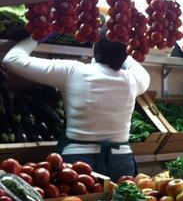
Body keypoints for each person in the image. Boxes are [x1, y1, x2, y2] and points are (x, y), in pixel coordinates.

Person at [1, 29, 150, 180]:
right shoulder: (134, 79)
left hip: (78, 161)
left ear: (94, 48)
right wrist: (120, 47)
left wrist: (38, 35)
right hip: (121, 162)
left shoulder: (74, 71)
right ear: (125, 54)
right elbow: (135, 66)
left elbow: (11, 60)